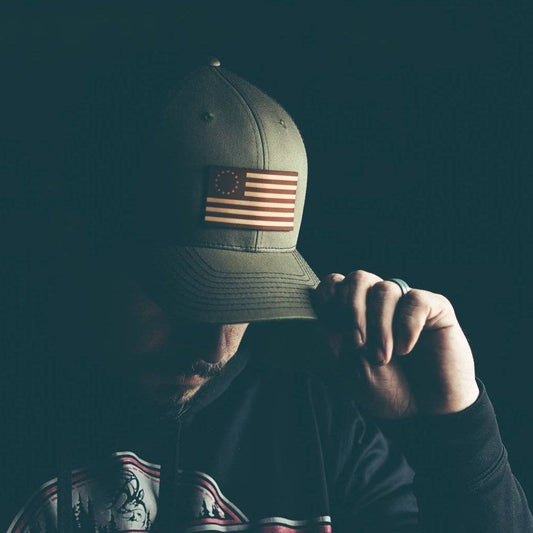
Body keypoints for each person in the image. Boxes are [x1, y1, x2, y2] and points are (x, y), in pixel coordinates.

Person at [4, 58, 532, 533]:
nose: (213, 348)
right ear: (76, 245)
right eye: (182, 295)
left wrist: (455, 434)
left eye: (246, 298)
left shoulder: (321, 420)